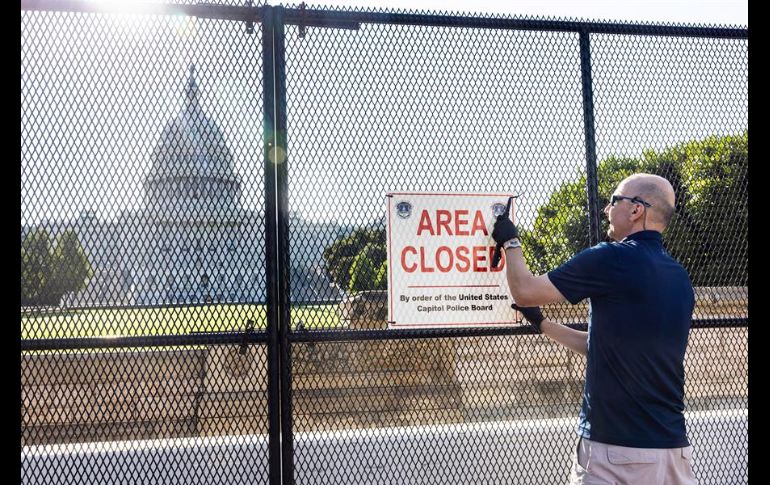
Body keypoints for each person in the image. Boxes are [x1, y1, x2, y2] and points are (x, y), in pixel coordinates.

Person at [492, 173, 698, 485]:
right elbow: (604, 346)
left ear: (635, 210)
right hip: (672, 452)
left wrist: (509, 239)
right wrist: (543, 324)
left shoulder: (612, 258)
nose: (606, 209)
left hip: (615, 452)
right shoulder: (679, 276)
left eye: (614, 200)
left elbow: (524, 290)